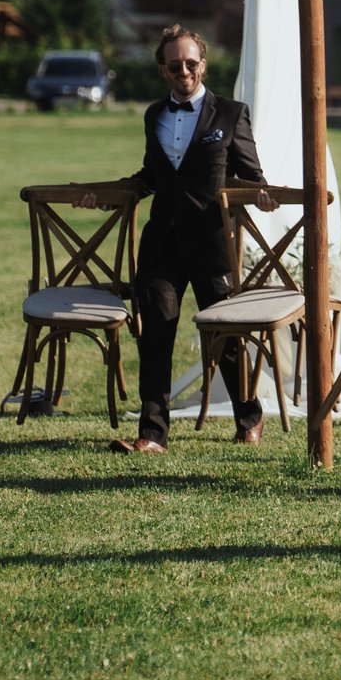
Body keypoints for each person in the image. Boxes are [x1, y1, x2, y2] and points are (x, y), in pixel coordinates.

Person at [112, 25, 271, 455]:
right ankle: (153, 435)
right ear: (163, 70)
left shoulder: (231, 113)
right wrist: (115, 193)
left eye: (191, 62)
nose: (184, 70)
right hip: (162, 243)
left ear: (203, 63)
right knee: (157, 333)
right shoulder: (153, 116)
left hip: (211, 243)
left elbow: (252, 177)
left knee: (224, 336)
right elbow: (152, 175)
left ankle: (249, 417)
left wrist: (259, 195)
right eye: (174, 64)